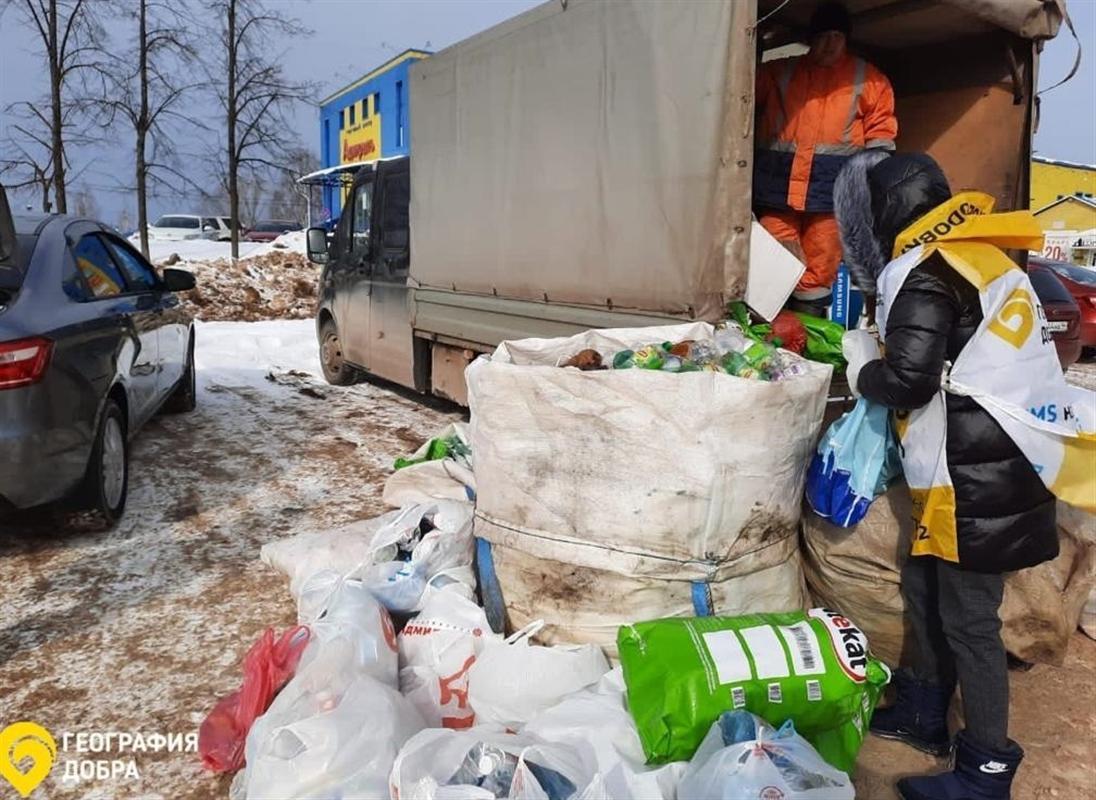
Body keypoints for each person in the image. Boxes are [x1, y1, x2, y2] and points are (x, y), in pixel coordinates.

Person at [835, 150, 1096, 799]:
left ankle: (986, 768)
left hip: (971, 481)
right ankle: (925, 713)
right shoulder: (981, 257)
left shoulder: (928, 271)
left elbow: (908, 381)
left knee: (971, 624)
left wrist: (859, 364)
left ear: (892, 209)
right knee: (927, 588)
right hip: (996, 468)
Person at [754, 1, 897, 316]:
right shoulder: (779, 72)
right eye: (823, 35)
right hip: (777, 193)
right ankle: (765, 338)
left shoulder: (871, 80)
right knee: (769, 266)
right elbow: (737, 92)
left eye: (837, 35)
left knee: (818, 274)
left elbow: (881, 139)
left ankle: (808, 349)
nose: (830, 43)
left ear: (846, 39)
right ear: (811, 38)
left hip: (832, 198)